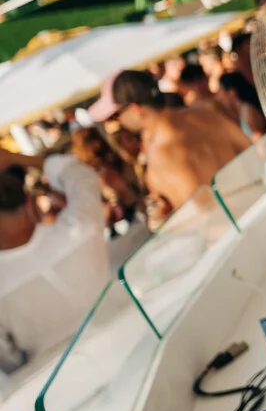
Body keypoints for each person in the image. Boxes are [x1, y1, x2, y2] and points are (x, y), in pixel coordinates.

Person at [0, 147, 110, 358]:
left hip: (70, 386)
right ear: (29, 202)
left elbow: (10, 368)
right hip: (132, 349)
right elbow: (81, 175)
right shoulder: (79, 230)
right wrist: (17, 158)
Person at [107, 69, 250, 221]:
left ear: (136, 109)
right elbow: (253, 150)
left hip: (232, 232)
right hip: (258, 207)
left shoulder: (160, 158)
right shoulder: (205, 114)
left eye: (118, 113)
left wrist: (164, 219)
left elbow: (202, 217)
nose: (120, 120)